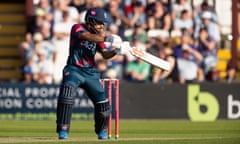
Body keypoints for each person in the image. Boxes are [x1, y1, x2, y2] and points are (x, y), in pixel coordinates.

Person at [56, 7, 121, 140]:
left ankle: (101, 131)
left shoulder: (99, 37)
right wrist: (107, 38)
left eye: (103, 23)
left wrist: (116, 51)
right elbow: (86, 36)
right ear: (90, 21)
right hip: (74, 69)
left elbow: (105, 54)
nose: (102, 26)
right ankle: (63, 130)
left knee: (103, 104)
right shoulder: (77, 28)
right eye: (99, 23)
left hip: (90, 73)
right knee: (67, 94)